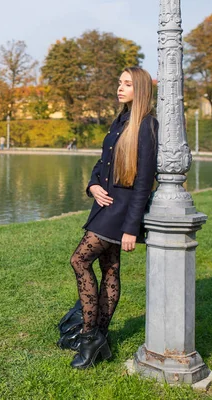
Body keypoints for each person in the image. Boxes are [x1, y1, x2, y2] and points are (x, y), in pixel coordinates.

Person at [63, 66, 158, 369]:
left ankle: (91, 335)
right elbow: (102, 162)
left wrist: (132, 228)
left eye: (127, 84)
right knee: (110, 268)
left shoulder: (146, 126)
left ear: (140, 90)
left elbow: (144, 182)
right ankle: (100, 336)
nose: (120, 88)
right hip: (104, 206)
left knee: (79, 260)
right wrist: (91, 185)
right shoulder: (121, 120)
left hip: (120, 212)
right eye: (119, 83)